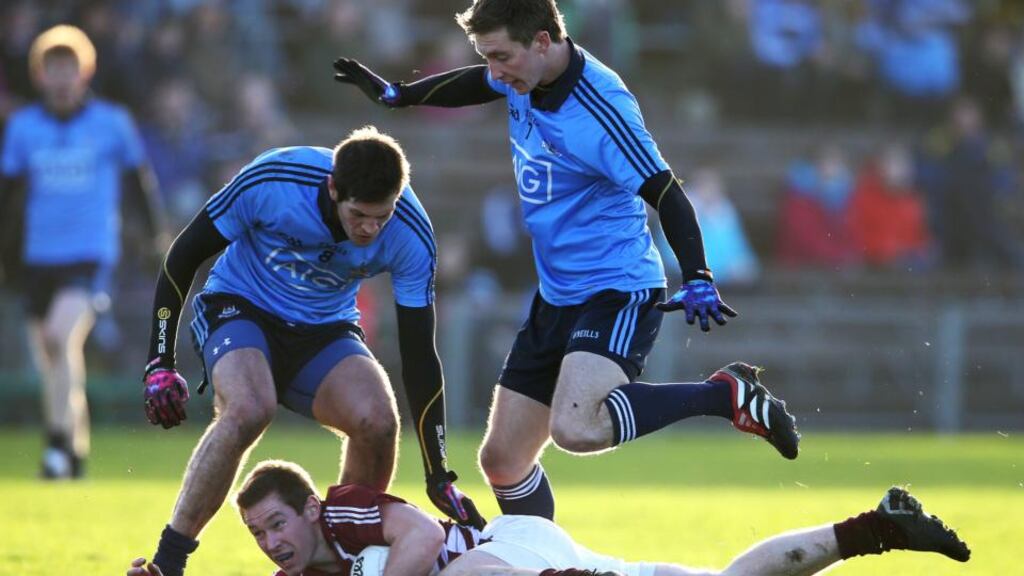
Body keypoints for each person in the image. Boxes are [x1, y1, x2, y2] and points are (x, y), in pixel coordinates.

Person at [332, 0, 799, 521]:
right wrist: (402, 96)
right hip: (556, 295)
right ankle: (540, 560)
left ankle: (723, 396)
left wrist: (698, 275)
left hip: (616, 291)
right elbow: (475, 83)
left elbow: (666, 191)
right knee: (502, 461)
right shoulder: (521, 74)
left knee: (576, 427)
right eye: (487, 57)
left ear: (542, 41)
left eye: (501, 57)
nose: (494, 72)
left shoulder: (601, 108)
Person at [138, 126, 484, 576]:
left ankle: (334, 560)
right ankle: (168, 562)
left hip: (324, 328)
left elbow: (420, 354)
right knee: (249, 407)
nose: (370, 228)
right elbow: (182, 257)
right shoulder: (275, 180)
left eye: (382, 216)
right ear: (333, 188)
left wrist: (438, 472)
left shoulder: (411, 232)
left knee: (378, 422)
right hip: (240, 306)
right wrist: (159, 361)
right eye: (359, 214)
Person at [126, 459, 972, 576]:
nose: (272, 544)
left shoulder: (343, 512)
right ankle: (877, 527)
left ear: (308, 507)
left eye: (277, 524)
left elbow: (422, 539)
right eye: (258, 538)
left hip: (507, 555)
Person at [0, 24, 165, 480]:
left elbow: (138, 186)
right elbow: (9, 196)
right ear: (39, 75)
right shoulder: (22, 129)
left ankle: (54, 446)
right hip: (36, 258)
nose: (60, 79)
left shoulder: (112, 124)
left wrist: (155, 240)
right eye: (51, 69)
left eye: (68, 68)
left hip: (89, 254)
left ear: (84, 71)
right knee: (55, 357)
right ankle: (73, 451)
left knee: (59, 336)